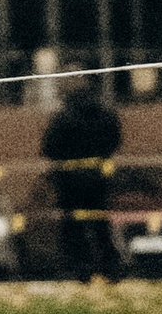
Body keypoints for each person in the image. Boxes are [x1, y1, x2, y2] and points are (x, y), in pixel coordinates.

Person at [42, 76, 124, 281]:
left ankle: (79, 268)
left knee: (73, 226)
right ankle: (110, 267)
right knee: (100, 224)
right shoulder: (105, 115)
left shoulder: (63, 118)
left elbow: (49, 147)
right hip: (98, 179)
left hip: (69, 181)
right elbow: (115, 139)